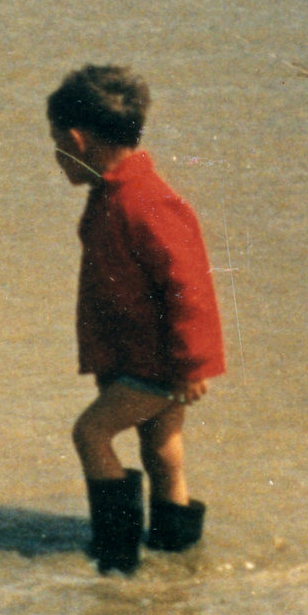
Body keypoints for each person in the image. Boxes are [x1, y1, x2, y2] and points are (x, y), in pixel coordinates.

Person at [46, 64, 224, 575]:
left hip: (156, 364)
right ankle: (176, 554)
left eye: (56, 144)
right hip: (145, 358)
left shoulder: (144, 202)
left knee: (91, 435)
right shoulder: (115, 193)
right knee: (162, 446)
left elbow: (189, 284)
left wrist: (194, 366)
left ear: (78, 140)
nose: (56, 158)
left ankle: (116, 559)